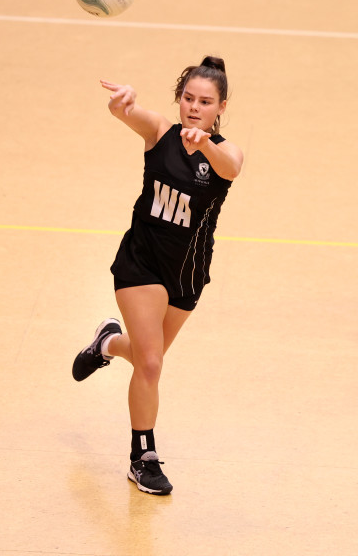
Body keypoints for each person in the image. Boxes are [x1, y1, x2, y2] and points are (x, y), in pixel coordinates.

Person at [72, 56, 243, 496]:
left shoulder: (226, 152)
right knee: (150, 363)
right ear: (179, 98)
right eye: (188, 98)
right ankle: (142, 458)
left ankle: (107, 343)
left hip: (187, 274)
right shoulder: (160, 133)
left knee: (147, 356)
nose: (194, 107)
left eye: (205, 102)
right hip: (142, 262)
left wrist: (204, 144)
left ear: (221, 106)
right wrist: (122, 103)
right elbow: (126, 112)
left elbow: (231, 168)